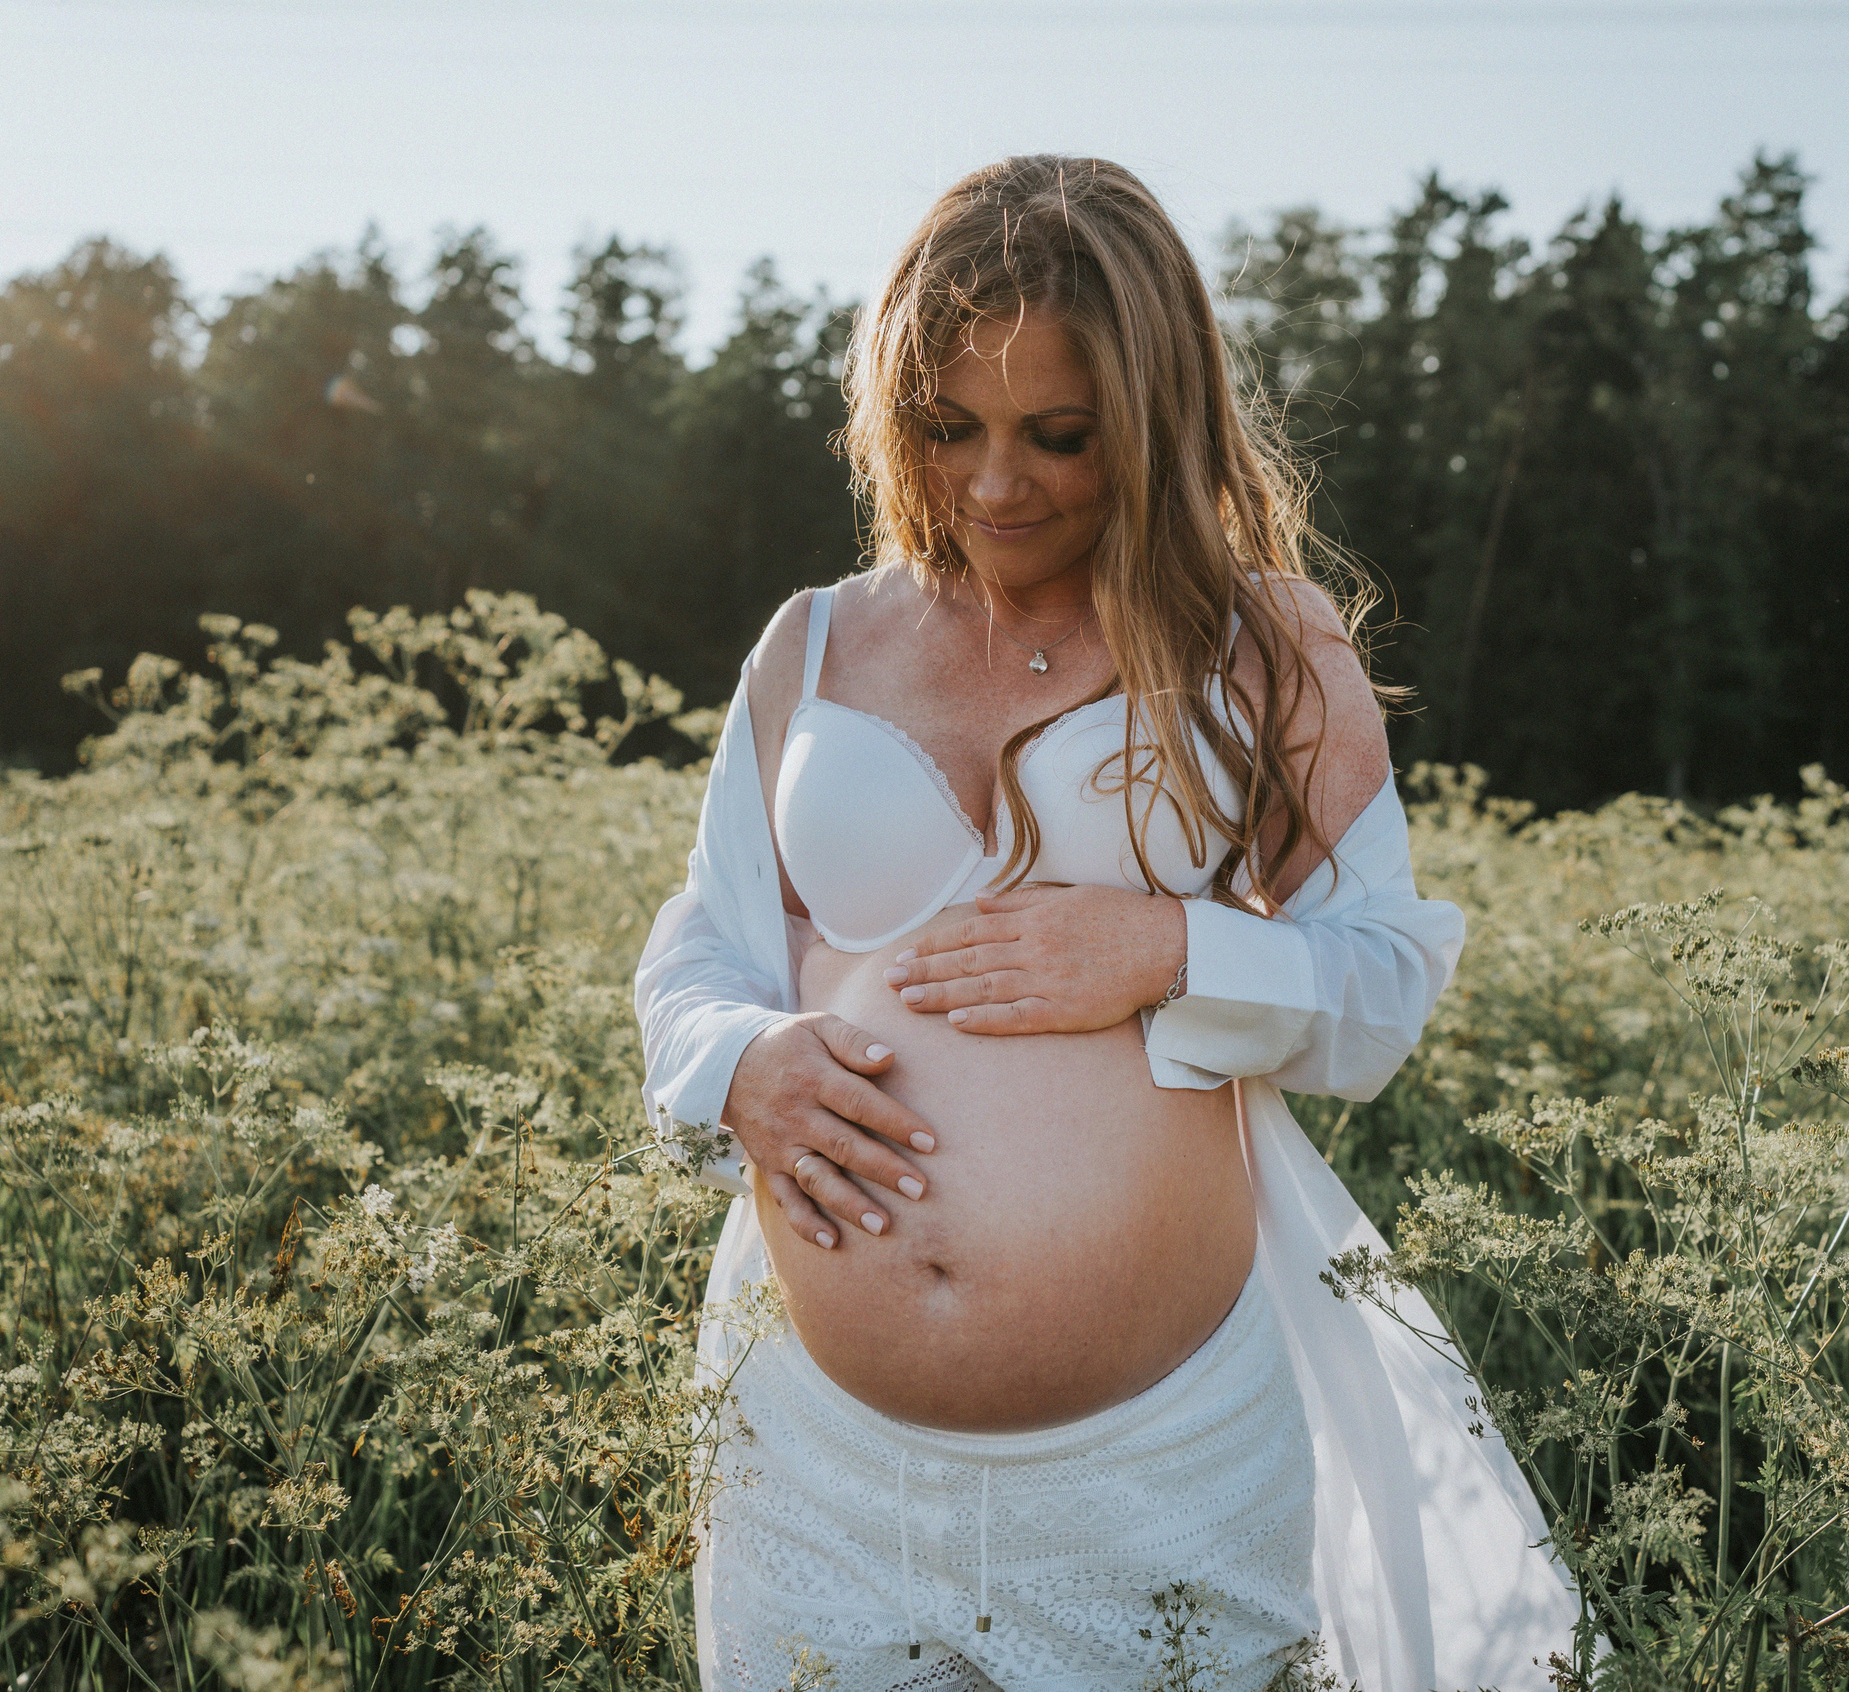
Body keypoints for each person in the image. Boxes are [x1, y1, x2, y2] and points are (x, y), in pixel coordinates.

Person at [633, 155, 1581, 1692]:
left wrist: (1166, 950)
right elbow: (703, 949)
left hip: (1160, 1469)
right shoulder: (813, 644)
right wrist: (736, 1061)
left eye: (1057, 437)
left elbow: (1386, 985)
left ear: (1151, 418)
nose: (996, 484)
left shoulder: (1265, 644)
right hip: (809, 1452)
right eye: (948, 428)